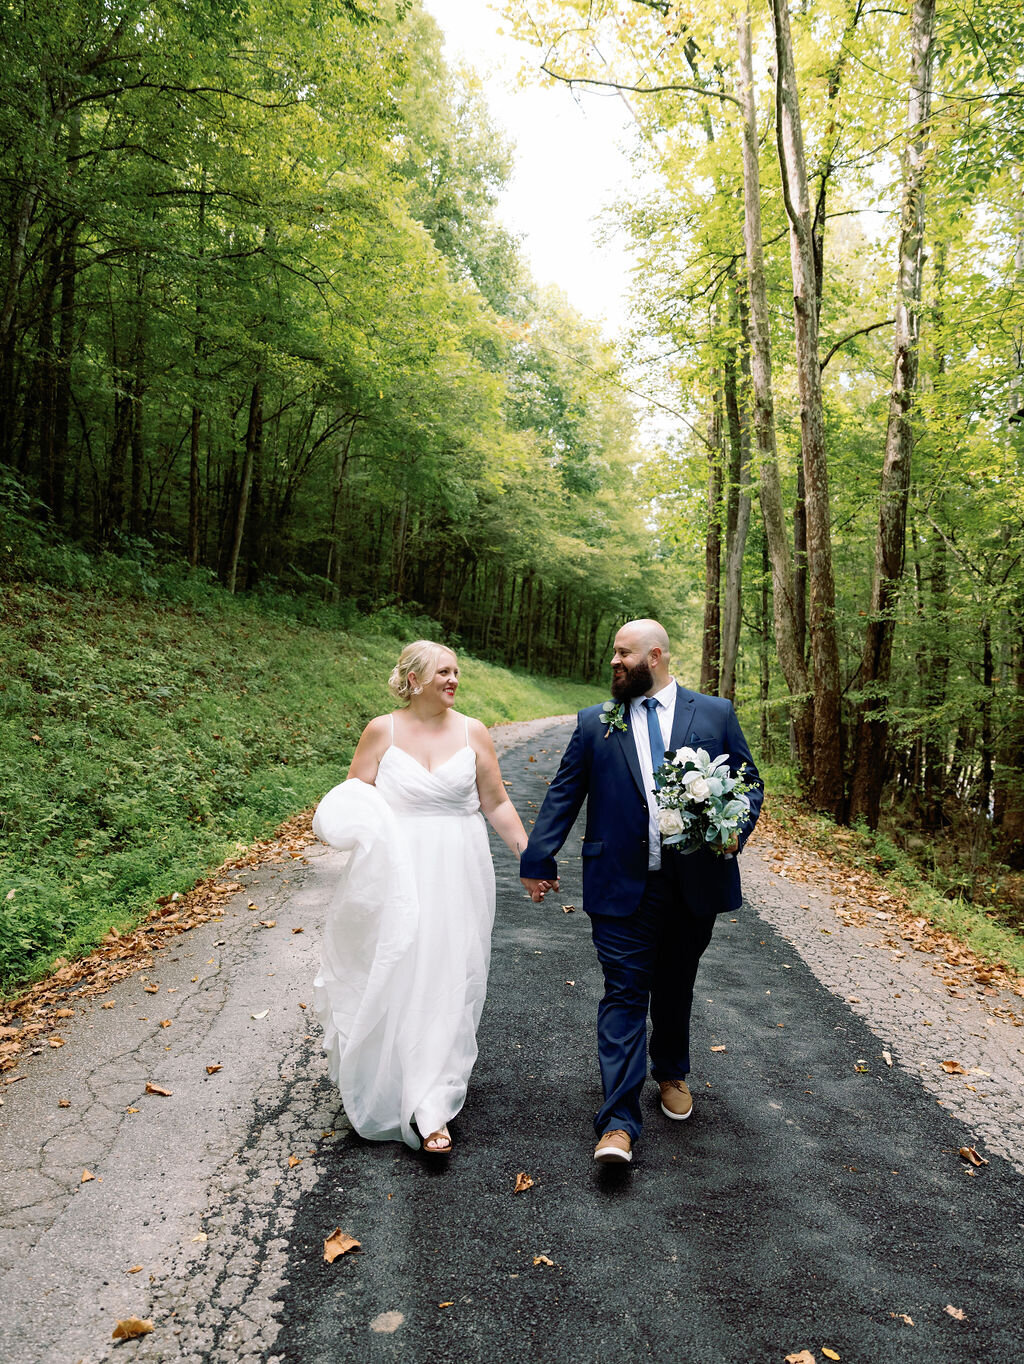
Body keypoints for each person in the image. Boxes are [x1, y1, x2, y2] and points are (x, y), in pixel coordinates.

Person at [520, 619, 763, 1165]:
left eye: (623, 654)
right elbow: (564, 794)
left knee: (676, 984)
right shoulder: (595, 723)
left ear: (655, 657)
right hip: (619, 882)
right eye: (613, 653)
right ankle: (618, 1122)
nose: (614, 662)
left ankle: (671, 1070)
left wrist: (734, 829)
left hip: (693, 881)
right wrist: (538, 857)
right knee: (625, 992)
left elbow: (749, 782)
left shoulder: (715, 715)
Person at [312, 640, 529, 1156]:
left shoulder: (473, 731)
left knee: (447, 975)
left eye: (457, 671)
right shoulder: (381, 731)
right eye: (443, 673)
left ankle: (433, 1104)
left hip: (458, 868)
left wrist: (529, 856)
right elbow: (353, 798)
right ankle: (385, 1079)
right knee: (394, 970)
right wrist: (354, 836)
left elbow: (494, 802)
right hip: (395, 870)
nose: (453, 680)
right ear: (413, 680)